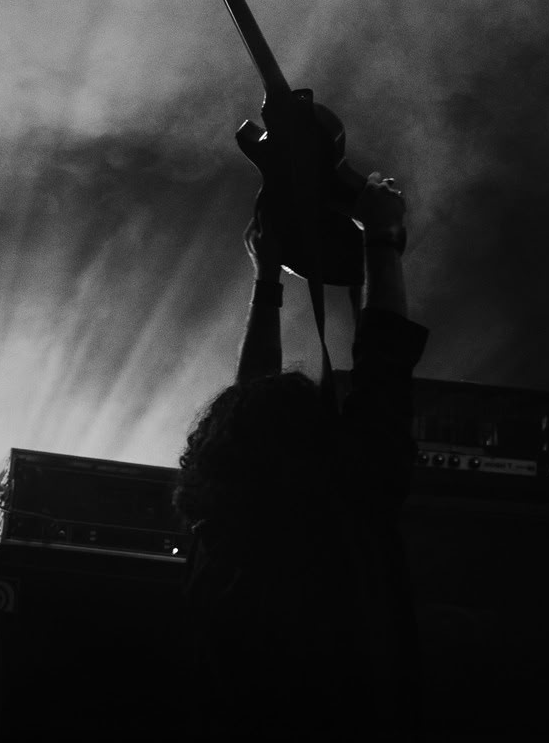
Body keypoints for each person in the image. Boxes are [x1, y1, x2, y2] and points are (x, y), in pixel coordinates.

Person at [173, 112, 424, 741]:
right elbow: (384, 365)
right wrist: (382, 240)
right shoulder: (347, 506)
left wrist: (269, 280)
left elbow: (257, 402)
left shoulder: (220, 542)